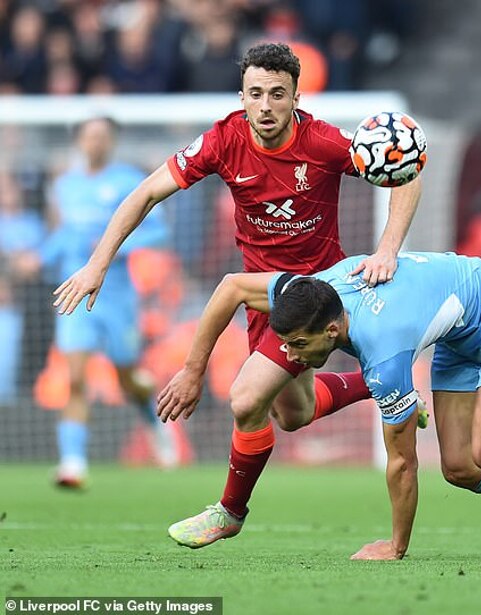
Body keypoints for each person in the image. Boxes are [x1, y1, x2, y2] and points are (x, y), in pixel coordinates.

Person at [52, 44, 421, 537]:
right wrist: (97, 264)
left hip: (316, 291)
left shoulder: (324, 141)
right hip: (264, 297)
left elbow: (406, 173)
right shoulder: (222, 141)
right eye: (255, 94)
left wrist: (388, 249)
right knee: (293, 413)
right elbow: (146, 193)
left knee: (246, 400)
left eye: (277, 94)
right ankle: (386, 385)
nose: (265, 106)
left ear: (296, 98)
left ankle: (229, 513)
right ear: (242, 97)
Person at [158, 251, 481, 560]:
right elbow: (231, 287)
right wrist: (193, 369)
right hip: (458, 332)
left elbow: (402, 463)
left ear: (332, 330)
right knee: (462, 469)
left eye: (297, 344)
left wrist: (395, 545)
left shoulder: (385, 353)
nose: (289, 356)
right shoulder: (312, 293)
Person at [23, 116, 178, 486]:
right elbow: (66, 234)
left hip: (116, 296)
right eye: (90, 136)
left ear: (112, 141)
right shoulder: (66, 186)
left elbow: (158, 232)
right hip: (74, 292)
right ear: (79, 141)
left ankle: (153, 422)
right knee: (75, 377)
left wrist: (113, 248)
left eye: (103, 137)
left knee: (128, 379)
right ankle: (72, 464)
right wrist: (40, 257)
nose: (96, 143)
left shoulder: (128, 181)